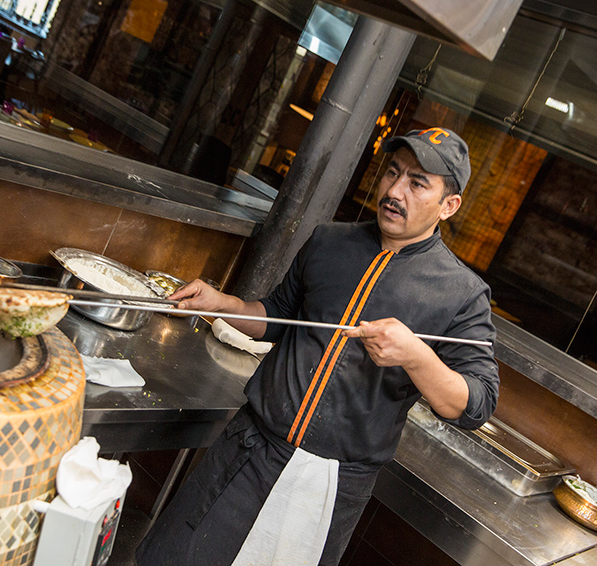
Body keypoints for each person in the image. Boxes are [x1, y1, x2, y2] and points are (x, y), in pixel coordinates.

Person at [135, 127, 500, 566]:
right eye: (392, 173)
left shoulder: (462, 294)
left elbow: (476, 404)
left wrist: (417, 356)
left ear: (449, 205)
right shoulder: (330, 241)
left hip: (330, 484)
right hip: (250, 449)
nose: (395, 190)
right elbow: (276, 314)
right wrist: (221, 303)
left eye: (417, 183)